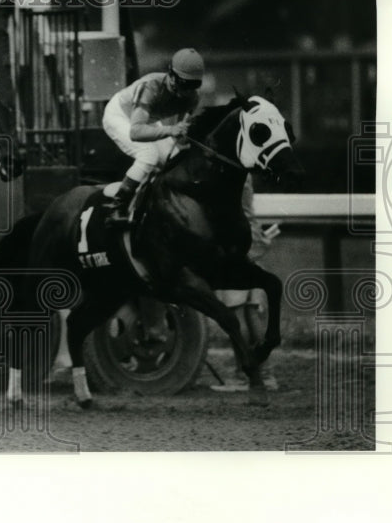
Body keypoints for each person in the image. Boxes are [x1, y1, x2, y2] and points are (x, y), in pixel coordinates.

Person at [101, 47, 205, 222]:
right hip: (120, 115)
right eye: (183, 84)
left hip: (147, 120)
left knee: (173, 160)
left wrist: (186, 138)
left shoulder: (192, 97)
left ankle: (154, 202)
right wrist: (170, 130)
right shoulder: (151, 86)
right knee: (149, 154)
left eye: (193, 85)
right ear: (171, 74)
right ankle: (117, 207)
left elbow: (180, 136)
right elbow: (136, 132)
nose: (187, 91)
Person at [211, 176, 281, 392]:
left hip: (235, 242)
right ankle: (264, 375)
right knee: (251, 312)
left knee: (236, 311)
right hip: (249, 239)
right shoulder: (241, 171)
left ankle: (244, 376)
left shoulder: (227, 174)